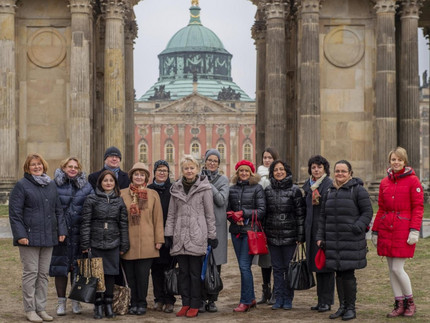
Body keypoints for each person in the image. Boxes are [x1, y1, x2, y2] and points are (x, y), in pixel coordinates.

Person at [9, 153, 67, 323]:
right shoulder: (21, 185)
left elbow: (58, 210)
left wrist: (61, 230)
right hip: (29, 237)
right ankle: (30, 309)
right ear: (27, 168)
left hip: (49, 237)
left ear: (44, 166)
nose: (36, 167)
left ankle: (41, 308)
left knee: (43, 275)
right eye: (33, 164)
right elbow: (15, 214)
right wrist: (20, 235)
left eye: (39, 164)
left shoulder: (50, 185)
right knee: (31, 274)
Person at [316, 160, 373, 321]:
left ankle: (351, 308)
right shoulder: (329, 191)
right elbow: (323, 217)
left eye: (343, 171)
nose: (340, 174)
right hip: (333, 241)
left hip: (351, 240)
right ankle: (341, 307)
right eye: (337, 171)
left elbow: (367, 213)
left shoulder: (358, 190)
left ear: (350, 173)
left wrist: (356, 227)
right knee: (338, 275)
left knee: (348, 274)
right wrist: (320, 236)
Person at [371, 147, 423, 318]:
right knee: (391, 269)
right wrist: (375, 230)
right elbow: (381, 209)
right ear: (389, 161)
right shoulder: (385, 182)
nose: (396, 162)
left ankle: (410, 302)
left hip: (403, 229)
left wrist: (414, 230)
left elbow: (418, 208)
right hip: (386, 228)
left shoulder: (413, 181)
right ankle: (399, 303)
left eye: (399, 160)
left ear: (404, 161)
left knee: (397, 268)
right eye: (393, 159)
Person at [164, 155, 217, 318]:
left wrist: (212, 235)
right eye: (186, 168)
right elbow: (171, 214)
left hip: (197, 235)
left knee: (195, 274)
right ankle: (185, 303)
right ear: (182, 170)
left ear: (197, 169)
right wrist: (169, 234)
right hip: (180, 236)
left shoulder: (205, 188)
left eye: (192, 168)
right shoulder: (176, 188)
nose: (189, 171)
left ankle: (195, 304)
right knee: (183, 274)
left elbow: (210, 214)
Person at [81, 170, 130, 319]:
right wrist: (85, 244)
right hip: (95, 242)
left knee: (110, 275)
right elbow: (85, 222)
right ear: (100, 183)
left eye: (111, 180)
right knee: (96, 275)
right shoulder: (91, 199)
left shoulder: (119, 200)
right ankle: (98, 304)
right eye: (105, 180)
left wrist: (123, 245)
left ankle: (108, 303)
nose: (108, 183)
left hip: (113, 242)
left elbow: (123, 224)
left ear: (115, 183)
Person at [49, 157, 93, 316]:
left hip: (79, 235)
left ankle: (76, 301)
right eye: (70, 166)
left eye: (76, 167)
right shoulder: (54, 185)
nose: (73, 169)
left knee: (78, 270)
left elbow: (91, 208)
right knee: (61, 269)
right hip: (61, 235)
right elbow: (51, 209)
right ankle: (61, 303)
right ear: (63, 168)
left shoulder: (87, 187)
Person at [120, 162, 164, 315]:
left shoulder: (153, 194)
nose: (139, 177)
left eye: (142, 174)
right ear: (131, 176)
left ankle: (142, 303)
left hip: (148, 241)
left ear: (146, 177)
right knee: (130, 276)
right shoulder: (122, 193)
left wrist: (159, 239)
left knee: (143, 276)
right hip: (128, 241)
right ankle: (133, 303)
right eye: (136, 174)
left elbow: (158, 218)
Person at [264, 160, 305, 310]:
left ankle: (288, 298)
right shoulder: (268, 190)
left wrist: (300, 237)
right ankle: (278, 297)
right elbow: (265, 214)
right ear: (272, 172)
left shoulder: (295, 190)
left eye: (282, 169)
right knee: (277, 269)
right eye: (276, 170)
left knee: (289, 269)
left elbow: (300, 215)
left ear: (287, 171)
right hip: (273, 236)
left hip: (290, 236)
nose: (279, 172)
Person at [227, 160, 266, 312]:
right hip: (237, 233)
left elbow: (262, 211)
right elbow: (228, 210)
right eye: (241, 171)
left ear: (251, 173)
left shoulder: (257, 188)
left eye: (246, 171)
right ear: (237, 173)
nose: (243, 173)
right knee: (243, 267)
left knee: (244, 266)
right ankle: (251, 298)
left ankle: (245, 301)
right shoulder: (232, 190)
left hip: (251, 233)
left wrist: (244, 214)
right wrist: (234, 218)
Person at [302, 155, 334, 313]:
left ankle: (327, 301)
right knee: (317, 265)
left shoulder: (328, 184)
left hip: (324, 230)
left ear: (324, 169)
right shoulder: (309, 185)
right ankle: (321, 300)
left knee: (326, 268)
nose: (316, 170)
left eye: (319, 167)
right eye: (313, 167)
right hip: (311, 231)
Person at [199, 149, 229, 313]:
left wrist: (209, 185)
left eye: (215, 161)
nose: (212, 163)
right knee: (200, 264)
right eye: (209, 160)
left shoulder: (223, 180)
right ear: (205, 161)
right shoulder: (197, 178)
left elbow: (221, 201)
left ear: (218, 163)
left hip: (217, 227)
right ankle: (202, 299)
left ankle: (212, 300)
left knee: (215, 266)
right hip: (200, 227)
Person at [148, 160, 176, 313]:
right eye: (159, 170)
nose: (162, 173)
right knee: (156, 270)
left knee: (169, 270)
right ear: (154, 172)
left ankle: (169, 299)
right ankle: (158, 299)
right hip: (152, 236)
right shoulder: (149, 189)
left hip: (169, 235)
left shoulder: (173, 189)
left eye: (165, 170)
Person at [256, 148, 279, 305]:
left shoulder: (279, 174)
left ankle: (277, 291)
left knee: (276, 259)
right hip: (263, 223)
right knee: (265, 260)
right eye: (265, 157)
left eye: (270, 157)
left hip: (277, 222)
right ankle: (266, 290)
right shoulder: (257, 176)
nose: (267, 160)